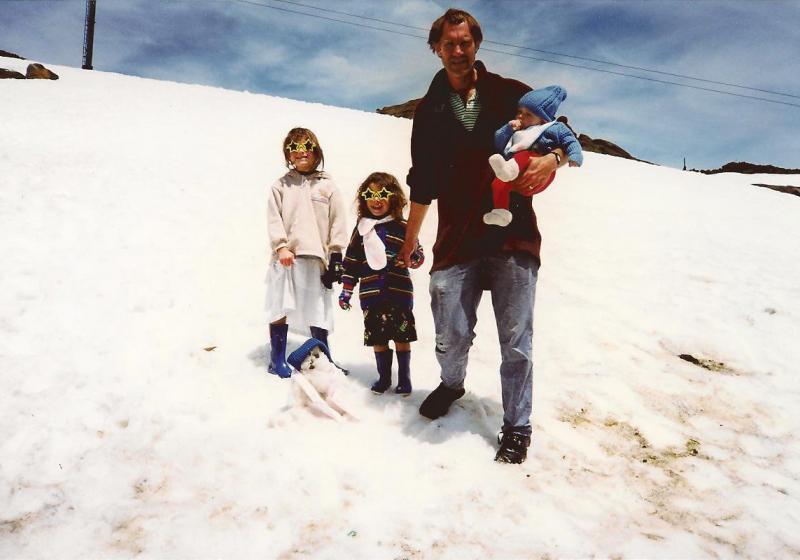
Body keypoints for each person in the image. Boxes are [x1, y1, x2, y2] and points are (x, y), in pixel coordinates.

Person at [397, 8, 569, 464]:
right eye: (448, 43)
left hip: (513, 235)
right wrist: (410, 240)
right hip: (456, 238)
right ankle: (452, 383)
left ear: (476, 45)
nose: (457, 51)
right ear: (435, 48)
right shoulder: (428, 111)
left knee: (516, 341)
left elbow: (560, 128)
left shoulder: (510, 94)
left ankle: (517, 425)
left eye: (465, 42)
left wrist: (554, 159)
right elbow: (422, 180)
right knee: (449, 331)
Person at [265, 127, 348, 378]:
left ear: (316, 152)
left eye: (307, 147)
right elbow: (274, 218)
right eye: (294, 148)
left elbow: (338, 222)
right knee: (281, 306)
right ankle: (276, 358)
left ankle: (323, 358)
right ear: (288, 155)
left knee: (318, 310)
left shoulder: (328, 187)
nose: (301, 153)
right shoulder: (281, 186)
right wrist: (280, 246)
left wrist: (335, 256)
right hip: (287, 256)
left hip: (317, 257)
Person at [338, 172, 424, 395]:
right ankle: (384, 377)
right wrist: (346, 290)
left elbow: (418, 255)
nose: (376, 200)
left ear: (393, 198)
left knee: (402, 336)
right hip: (371, 294)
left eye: (383, 195)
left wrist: (412, 257)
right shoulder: (361, 229)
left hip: (399, 292)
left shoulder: (404, 227)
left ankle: (404, 378)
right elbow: (352, 262)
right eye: (370, 195)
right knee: (378, 337)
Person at [484, 85, 583, 227]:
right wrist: (508, 129)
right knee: (498, 184)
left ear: (543, 119)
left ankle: (508, 171)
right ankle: (501, 213)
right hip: (515, 175)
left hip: (539, 174)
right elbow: (499, 143)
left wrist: (575, 156)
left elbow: (571, 141)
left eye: (528, 114)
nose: (520, 116)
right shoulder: (518, 130)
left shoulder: (555, 128)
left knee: (525, 154)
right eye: (519, 111)